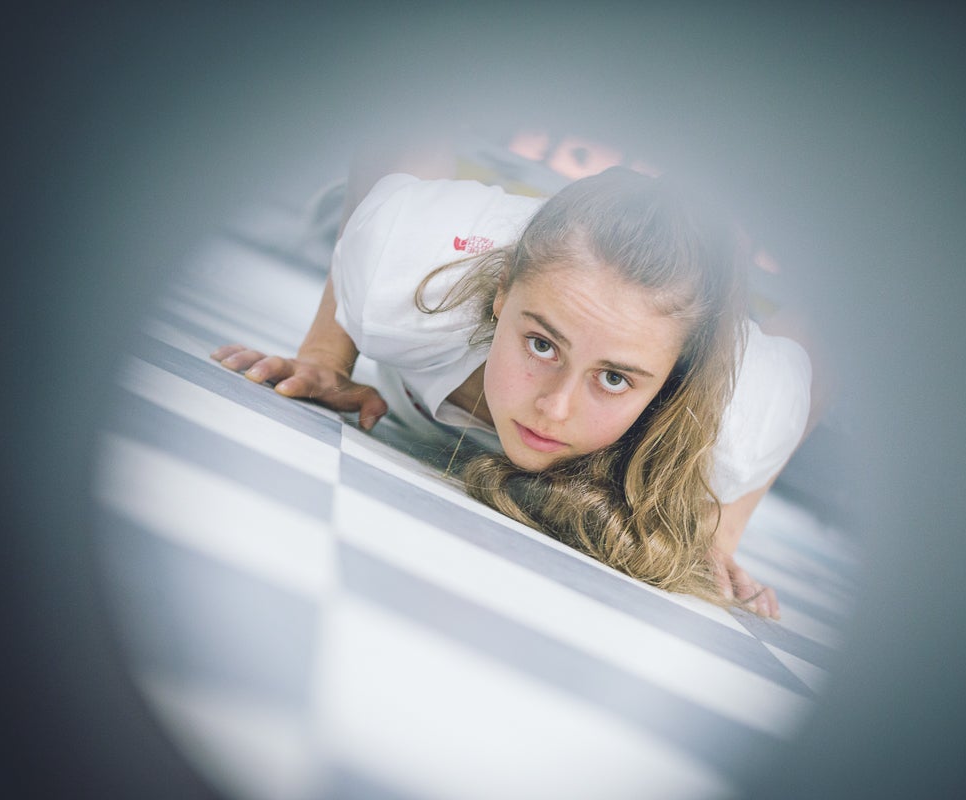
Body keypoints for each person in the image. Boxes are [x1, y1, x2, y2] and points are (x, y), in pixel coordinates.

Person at [212, 164, 814, 619]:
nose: (554, 408)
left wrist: (719, 525)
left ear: (671, 381)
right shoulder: (404, 268)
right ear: (502, 292)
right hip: (437, 253)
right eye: (543, 345)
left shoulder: (741, 416)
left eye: (613, 378)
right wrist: (326, 353)